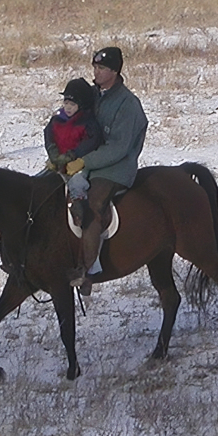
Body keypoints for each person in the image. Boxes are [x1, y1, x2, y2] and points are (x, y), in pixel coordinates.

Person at [65, 46, 148, 295]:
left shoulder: (128, 105)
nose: (96, 73)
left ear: (114, 71)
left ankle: (88, 270)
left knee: (92, 205)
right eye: (94, 67)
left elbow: (118, 148)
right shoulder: (92, 95)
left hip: (115, 169)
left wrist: (84, 162)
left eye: (101, 69)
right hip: (85, 162)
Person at [43, 77, 101, 180]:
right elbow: (49, 134)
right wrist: (52, 152)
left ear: (82, 105)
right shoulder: (57, 119)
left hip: (76, 166)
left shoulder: (87, 123)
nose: (68, 107)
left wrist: (73, 155)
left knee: (77, 187)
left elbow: (90, 142)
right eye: (66, 103)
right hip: (56, 162)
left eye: (72, 104)